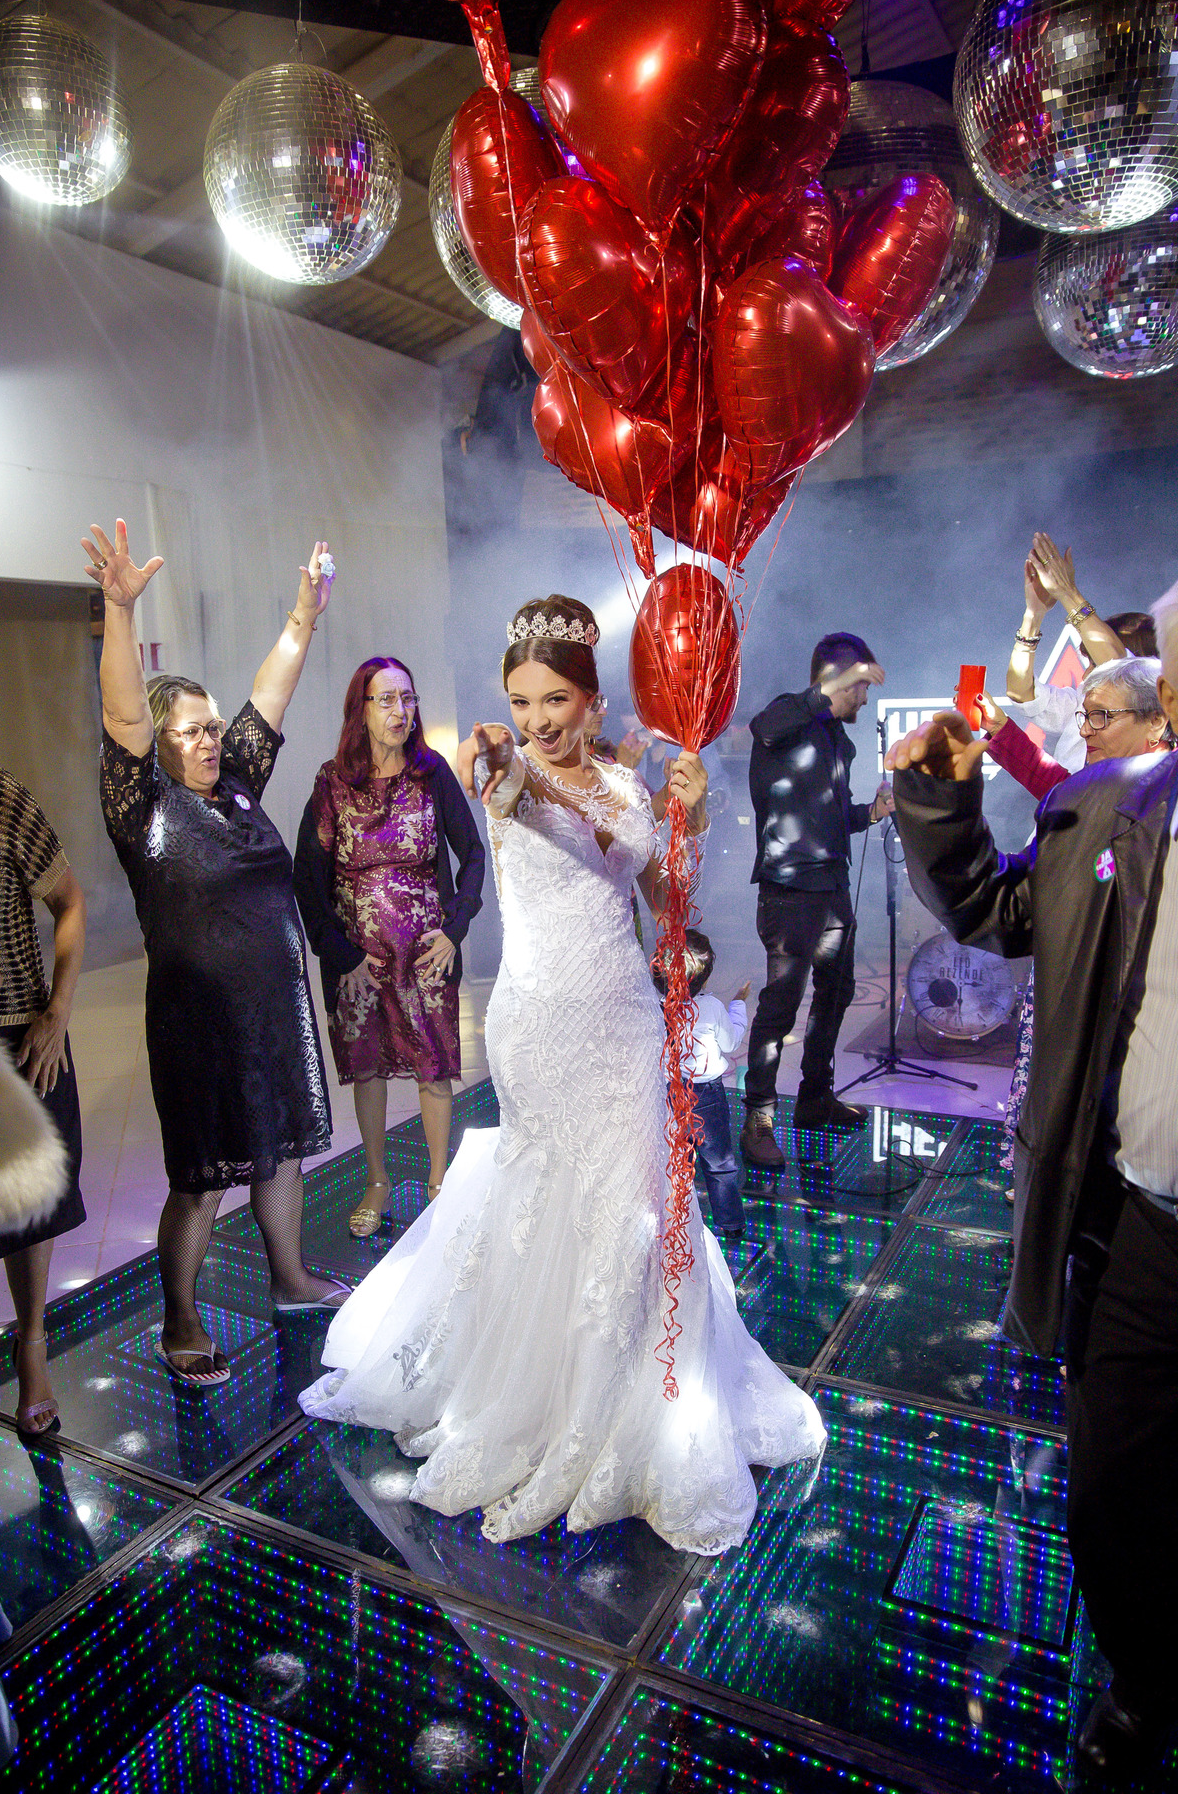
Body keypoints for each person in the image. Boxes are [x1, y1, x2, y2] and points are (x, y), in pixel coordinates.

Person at [299, 595, 825, 1553]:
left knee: (638, 1209)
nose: (537, 718)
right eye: (521, 698)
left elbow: (665, 896)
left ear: (591, 700)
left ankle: (642, 1400)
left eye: (554, 700)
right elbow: (535, 798)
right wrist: (540, 769)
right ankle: (540, 1400)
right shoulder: (506, 777)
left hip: (620, 1022)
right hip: (538, 1025)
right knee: (549, 1202)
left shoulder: (628, 788)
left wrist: (691, 819)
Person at [886, 576, 1178, 1783]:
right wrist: (938, 800)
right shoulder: (1117, 806)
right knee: (1112, 1479)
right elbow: (996, 904)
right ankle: (1153, 1677)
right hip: (1149, 1231)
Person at [85, 518, 346, 1390]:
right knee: (200, 1180)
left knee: (278, 1154)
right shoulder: (141, 806)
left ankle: (289, 1277)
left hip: (275, 1011)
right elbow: (123, 710)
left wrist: (304, 612)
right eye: (189, 731)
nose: (208, 740)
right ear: (157, 745)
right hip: (198, 1023)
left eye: (209, 728)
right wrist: (120, 613)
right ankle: (182, 1316)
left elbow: (271, 692)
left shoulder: (236, 786)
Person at [293, 657, 485, 1236]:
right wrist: (338, 952)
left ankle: (437, 1181)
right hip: (358, 962)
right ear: (362, 709)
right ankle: (377, 1181)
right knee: (370, 1069)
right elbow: (307, 875)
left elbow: (472, 854)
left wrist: (454, 929)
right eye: (386, 700)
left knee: (433, 1065)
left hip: (425, 953)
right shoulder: (333, 783)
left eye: (408, 698)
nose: (401, 711)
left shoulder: (432, 775)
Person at [979, 661, 1174, 1195]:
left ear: (1159, 718)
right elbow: (1053, 785)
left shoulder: (1166, 802)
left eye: (1100, 717)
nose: (1084, 729)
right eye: (1084, 716)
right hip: (1068, 975)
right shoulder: (1095, 789)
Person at [741, 633, 893, 1168]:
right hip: (789, 889)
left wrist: (869, 813)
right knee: (781, 1005)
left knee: (837, 991)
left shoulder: (834, 738)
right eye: (860, 687)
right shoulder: (787, 718)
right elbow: (762, 725)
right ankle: (758, 1118)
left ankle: (814, 1097)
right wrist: (829, 689)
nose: (865, 699)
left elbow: (828, 816)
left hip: (831, 885)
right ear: (838, 679)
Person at [0, 765, 86, 1438]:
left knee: (33, 1208)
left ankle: (32, 1344)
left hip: (20, 1033)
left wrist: (56, 1012)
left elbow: (70, 901)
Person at [1007, 532, 1156, 773]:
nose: (1086, 674)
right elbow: (1021, 692)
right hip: (1073, 806)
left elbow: (1118, 666)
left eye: (1094, 664)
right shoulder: (1082, 706)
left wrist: (1067, 592)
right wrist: (1033, 616)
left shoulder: (1153, 707)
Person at [652, 929, 749, 1242]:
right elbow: (732, 1042)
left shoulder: (650, 1007)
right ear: (703, 978)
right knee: (719, 1162)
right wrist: (738, 1004)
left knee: (674, 1159)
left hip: (664, 1092)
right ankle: (731, 1224)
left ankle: (677, 1223)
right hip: (705, 1093)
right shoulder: (711, 1008)